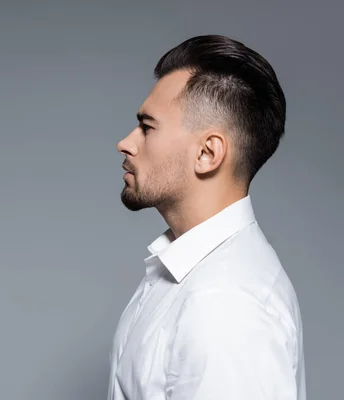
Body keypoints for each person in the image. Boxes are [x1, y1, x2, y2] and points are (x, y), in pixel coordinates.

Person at [108, 35, 305, 400]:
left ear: (207, 153)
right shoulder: (184, 274)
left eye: (147, 127)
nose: (126, 142)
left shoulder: (226, 304)